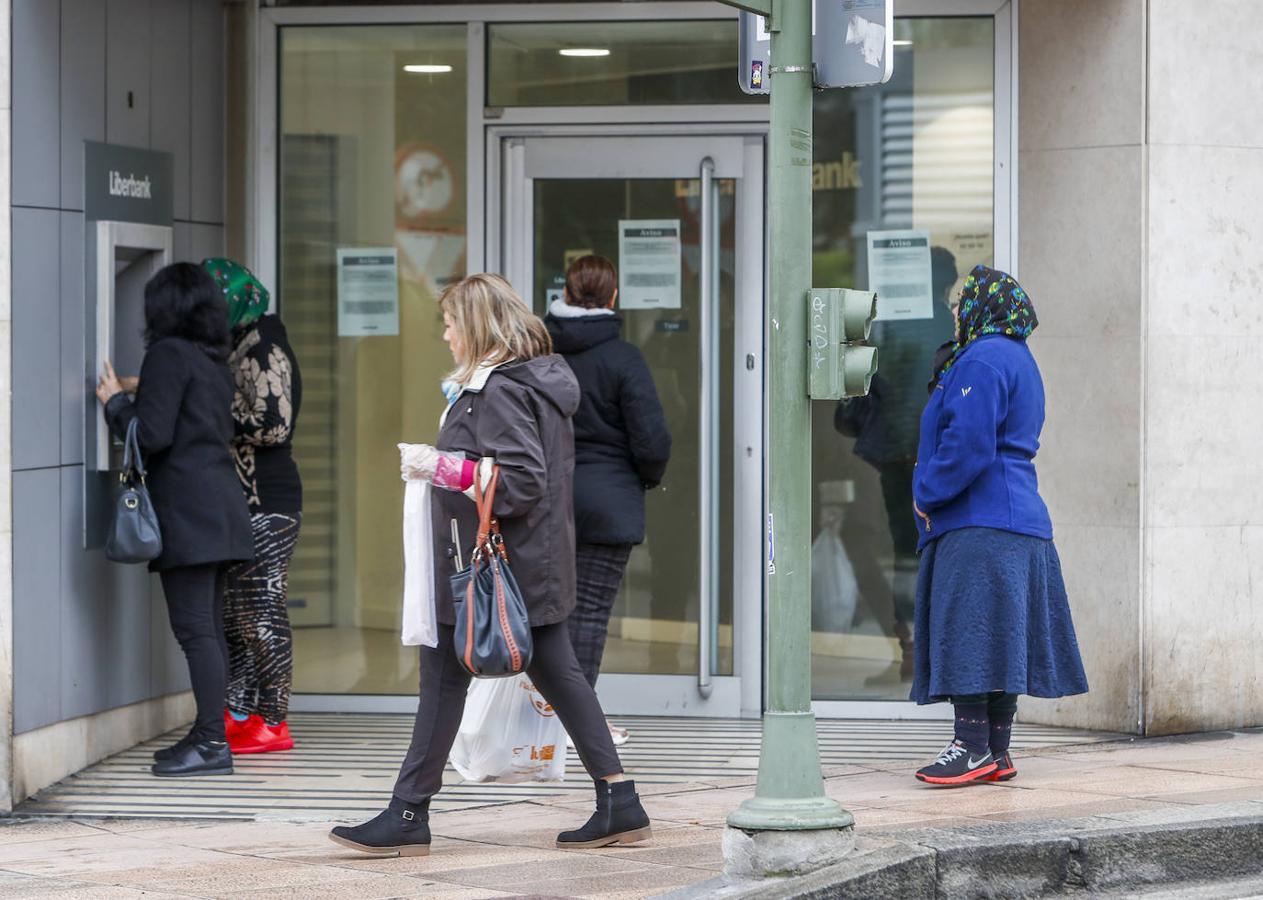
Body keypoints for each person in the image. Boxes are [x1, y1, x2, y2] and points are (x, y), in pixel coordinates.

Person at [330, 273, 651, 857]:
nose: (447, 336)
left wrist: (443, 469)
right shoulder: (529, 381)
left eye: (451, 324)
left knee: (445, 681)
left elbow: (522, 481)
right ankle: (618, 798)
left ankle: (408, 813)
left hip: (492, 569)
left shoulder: (500, 389)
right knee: (558, 676)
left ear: (476, 327)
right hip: (529, 564)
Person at [909, 265, 1088, 786]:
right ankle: (997, 750)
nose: (957, 310)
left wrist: (926, 493)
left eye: (962, 301)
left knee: (971, 633)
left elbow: (968, 443)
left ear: (981, 306)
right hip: (1017, 521)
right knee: (999, 638)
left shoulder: (983, 357)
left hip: (980, 522)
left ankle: (969, 748)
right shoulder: (1020, 359)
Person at [95, 263, 254, 778]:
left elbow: (155, 433)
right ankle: (207, 732)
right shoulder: (212, 358)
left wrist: (116, 404)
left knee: (196, 632)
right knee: (205, 627)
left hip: (188, 512)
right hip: (219, 507)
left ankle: (211, 742)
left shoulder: (167, 353)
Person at [545, 255, 672, 746]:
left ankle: (549, 719)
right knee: (590, 617)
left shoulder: (542, 354)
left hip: (547, 501)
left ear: (567, 293)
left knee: (550, 614)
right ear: (613, 297)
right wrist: (643, 478)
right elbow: (652, 441)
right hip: (607, 504)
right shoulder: (623, 358)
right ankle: (579, 726)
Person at [834, 247, 958, 682]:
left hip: (892, 457)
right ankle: (922, 654)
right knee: (922, 554)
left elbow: (866, 386)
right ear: (945, 285)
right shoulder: (948, 326)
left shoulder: (892, 324)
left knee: (901, 552)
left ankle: (908, 645)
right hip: (931, 458)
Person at [203, 258, 303, 755]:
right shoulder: (240, 341)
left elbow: (274, 425)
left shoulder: (264, 344)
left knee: (262, 611)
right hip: (243, 500)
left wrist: (208, 416)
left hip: (269, 498)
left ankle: (273, 720)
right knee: (235, 614)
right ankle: (240, 712)